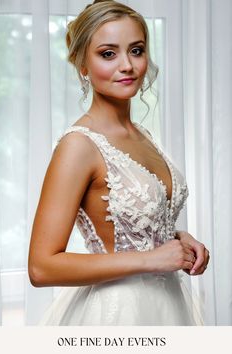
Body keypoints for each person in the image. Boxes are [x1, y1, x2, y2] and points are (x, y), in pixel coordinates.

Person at [28, 0, 210, 325]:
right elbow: (42, 267)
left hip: (167, 305)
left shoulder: (143, 135)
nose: (127, 65)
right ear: (83, 65)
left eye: (136, 50)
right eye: (108, 54)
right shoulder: (79, 145)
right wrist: (151, 259)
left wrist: (178, 240)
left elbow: (136, 224)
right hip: (118, 315)